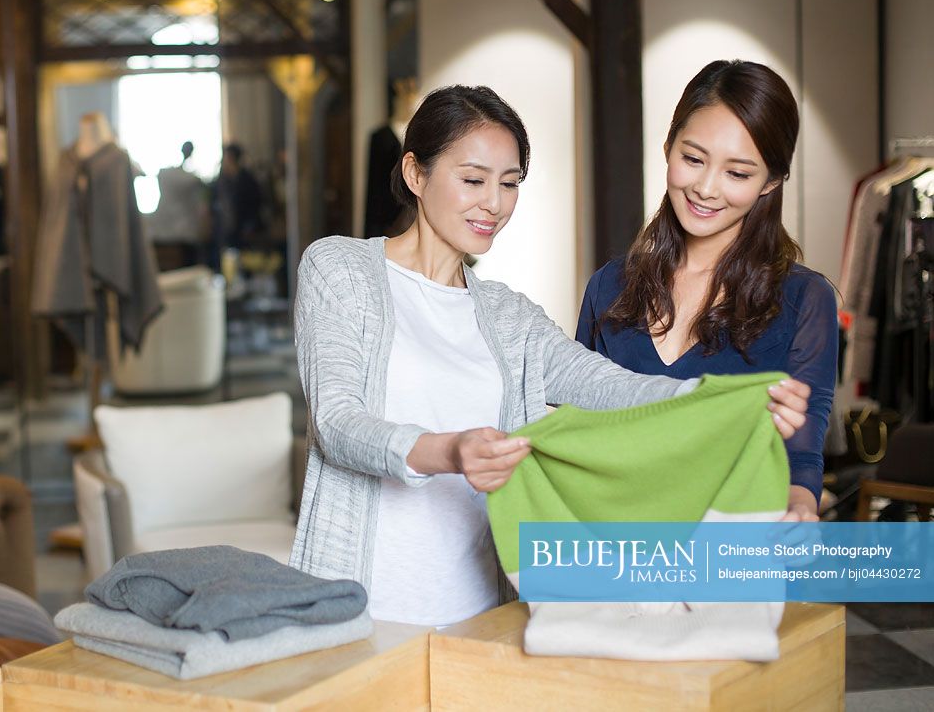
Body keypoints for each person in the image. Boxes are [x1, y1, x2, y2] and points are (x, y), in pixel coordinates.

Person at [291, 84, 813, 628]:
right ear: (415, 174)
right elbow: (337, 423)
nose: (492, 203)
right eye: (473, 180)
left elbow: (602, 384)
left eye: (509, 184)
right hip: (360, 604)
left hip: (480, 611)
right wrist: (449, 452)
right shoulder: (339, 270)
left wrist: (715, 397)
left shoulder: (506, 314)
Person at [576, 60, 836, 523]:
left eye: (738, 173)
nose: (706, 188)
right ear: (668, 147)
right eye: (692, 159)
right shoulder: (609, 286)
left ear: (770, 182)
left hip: (727, 560)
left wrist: (800, 511)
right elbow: (577, 429)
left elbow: (801, 457)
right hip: (615, 546)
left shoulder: (802, 300)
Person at [149, 141, 208, 269]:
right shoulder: (191, 179)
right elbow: (201, 208)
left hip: (165, 234)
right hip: (180, 235)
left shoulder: (166, 174)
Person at [212, 142, 264, 252]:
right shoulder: (222, 180)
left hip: (243, 230)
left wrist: (250, 226)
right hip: (224, 229)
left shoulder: (247, 179)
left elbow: (255, 204)